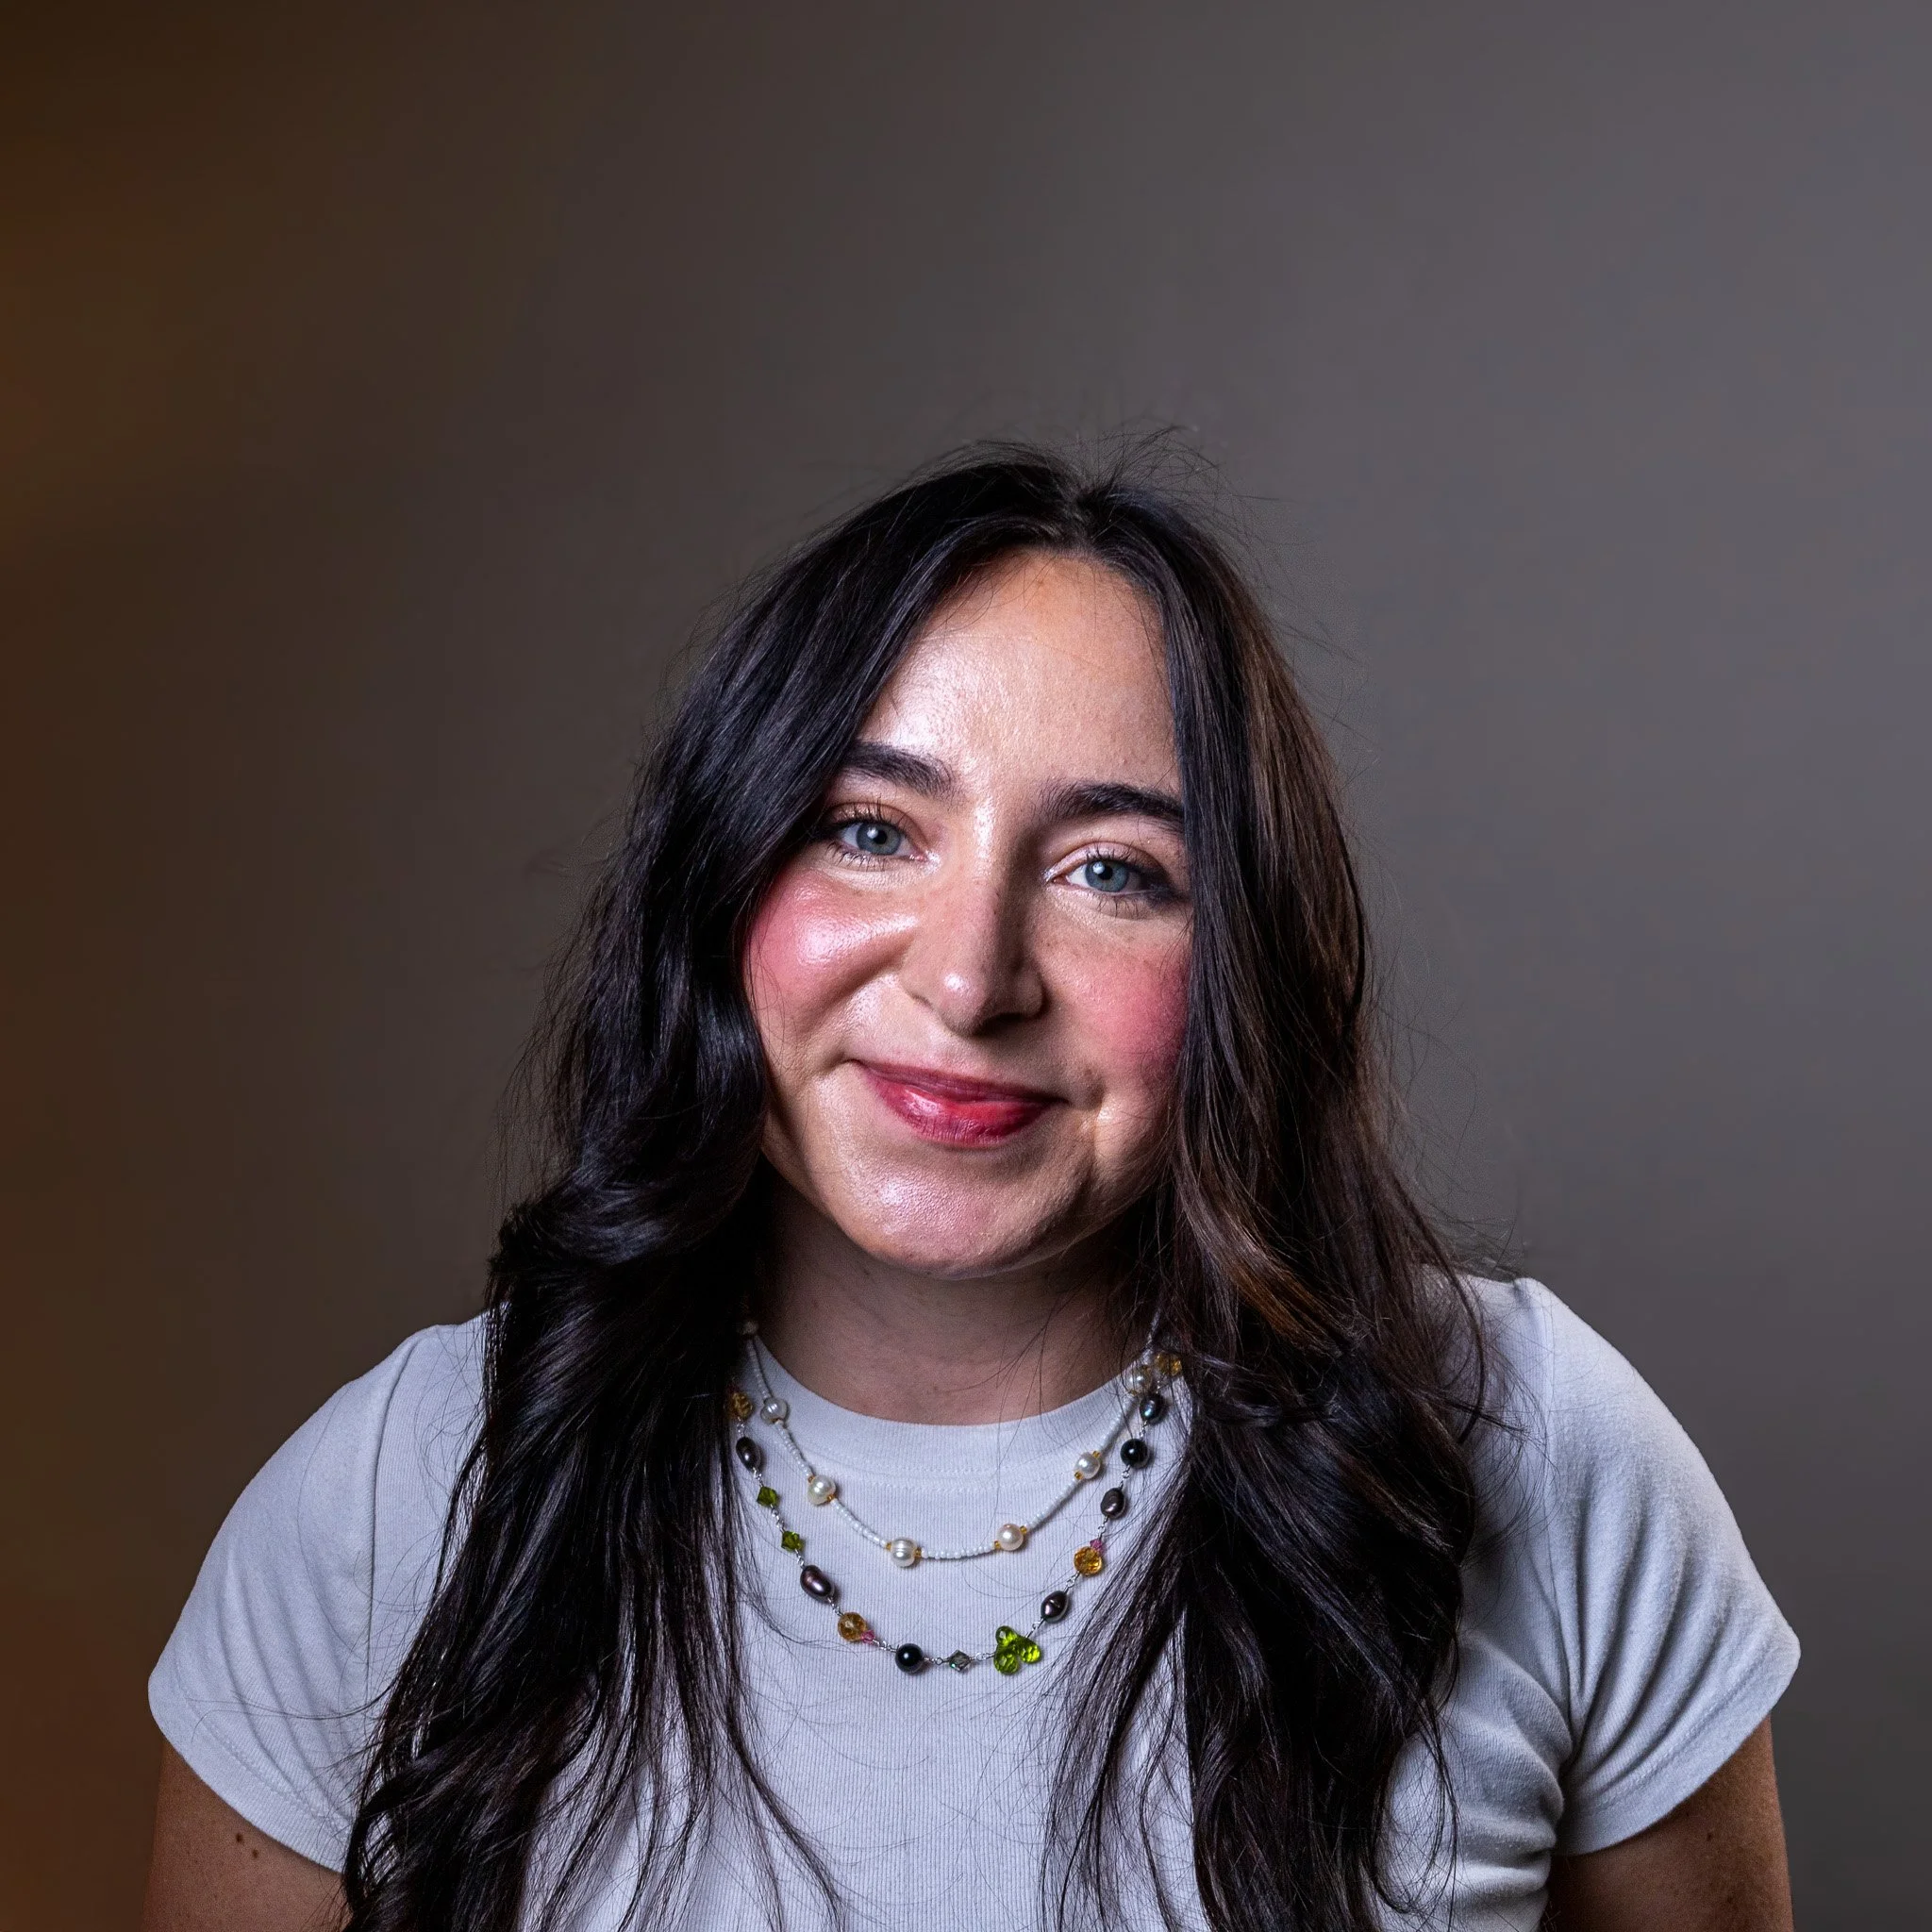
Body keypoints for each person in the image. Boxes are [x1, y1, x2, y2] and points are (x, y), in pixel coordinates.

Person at [142, 450, 1798, 1932]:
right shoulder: (390, 1499)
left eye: (1110, 871)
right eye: (870, 830)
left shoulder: (1537, 1453)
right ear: (718, 884)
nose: (971, 975)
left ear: (1242, 967)